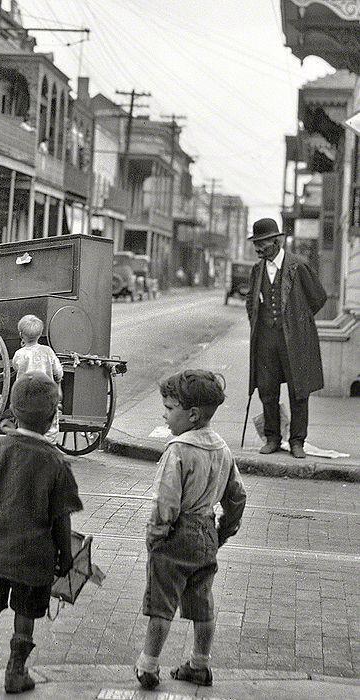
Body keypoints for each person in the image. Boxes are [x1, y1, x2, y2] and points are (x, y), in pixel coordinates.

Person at [0, 372, 82, 694]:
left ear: (11, 410)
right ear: (54, 417)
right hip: (33, 557)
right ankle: (16, 671)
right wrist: (65, 557)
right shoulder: (56, 462)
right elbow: (61, 518)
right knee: (26, 612)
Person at [135, 369, 246, 691]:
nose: (165, 414)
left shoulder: (178, 450)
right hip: (206, 532)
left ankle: (148, 665)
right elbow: (237, 495)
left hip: (175, 535)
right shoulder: (223, 449)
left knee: (162, 603)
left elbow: (166, 501)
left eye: (170, 408)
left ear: (192, 414)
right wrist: (224, 530)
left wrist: (156, 536)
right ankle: (200, 663)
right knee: (203, 602)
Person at [246, 218, 327, 459]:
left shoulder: (298, 266)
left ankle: (297, 441)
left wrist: (298, 320)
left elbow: (318, 297)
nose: (258, 248)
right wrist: (257, 323)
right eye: (256, 244)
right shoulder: (257, 269)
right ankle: (272, 438)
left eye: (262, 243)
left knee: (298, 390)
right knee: (267, 390)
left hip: (296, 341)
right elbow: (250, 301)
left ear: (276, 241)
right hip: (266, 341)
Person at [12, 314, 64, 445]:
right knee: (50, 420)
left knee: (26, 419)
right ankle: (48, 445)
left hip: (26, 393)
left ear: (20, 334)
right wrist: (57, 380)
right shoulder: (48, 351)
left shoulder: (19, 354)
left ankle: (27, 443)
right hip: (47, 393)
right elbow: (58, 372)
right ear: (40, 334)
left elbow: (15, 367)